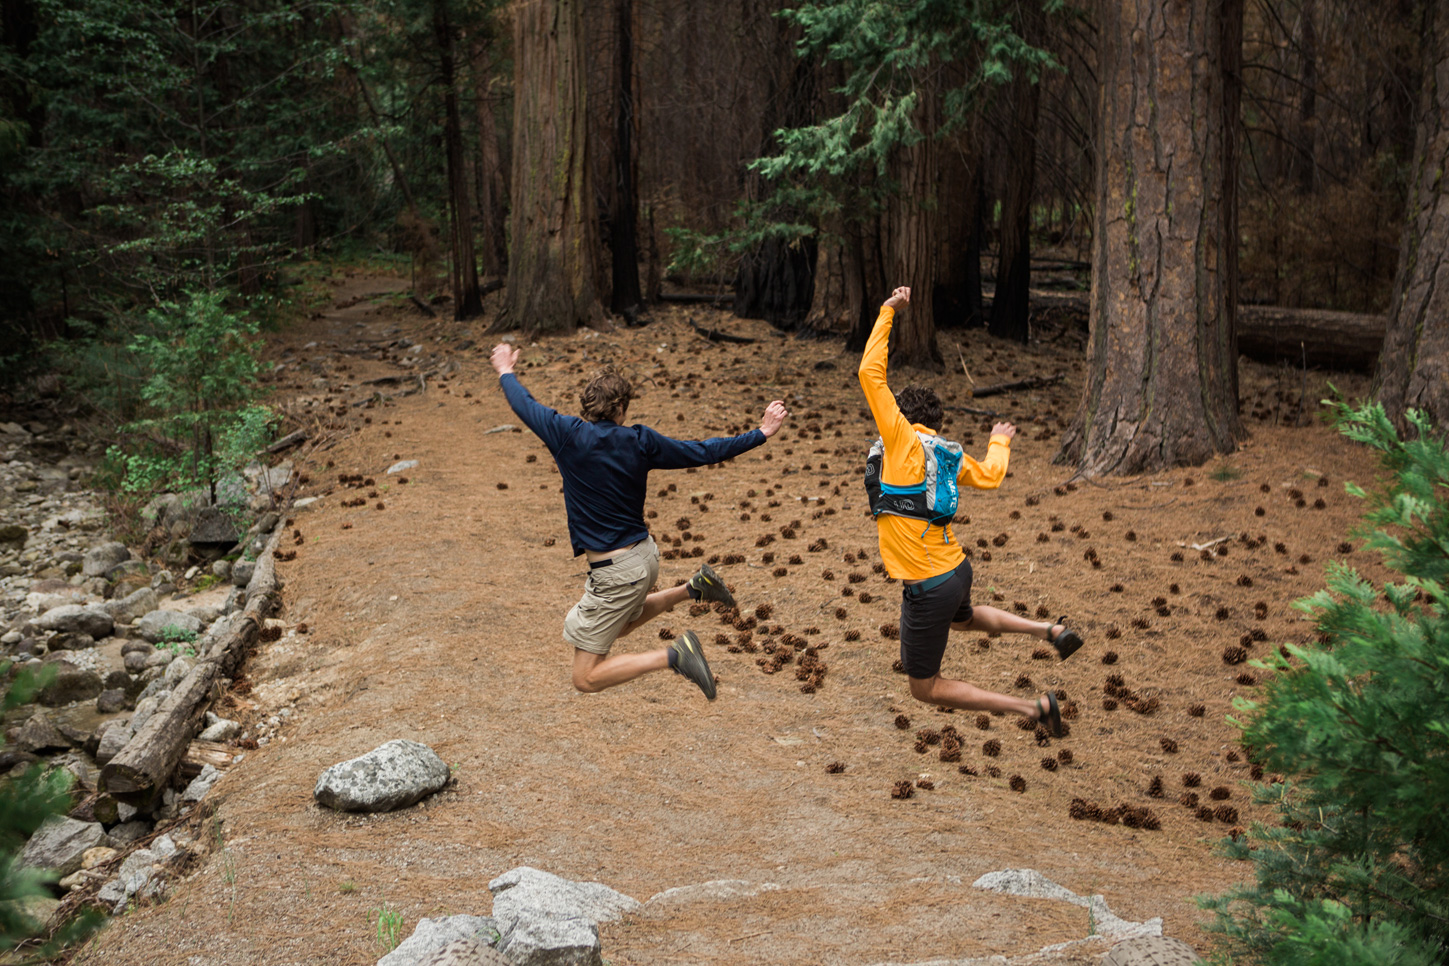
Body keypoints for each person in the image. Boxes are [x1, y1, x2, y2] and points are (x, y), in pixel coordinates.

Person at [491, 342, 790, 700]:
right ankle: (695, 587)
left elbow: (523, 404)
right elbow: (703, 450)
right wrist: (760, 433)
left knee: (585, 677)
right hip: (644, 558)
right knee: (618, 626)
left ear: (588, 405)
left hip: (616, 572)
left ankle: (676, 656)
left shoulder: (566, 434)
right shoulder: (640, 441)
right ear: (621, 408)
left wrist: (506, 369)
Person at [858, 287, 1084, 735]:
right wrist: (999, 441)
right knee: (963, 619)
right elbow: (992, 475)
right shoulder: (946, 453)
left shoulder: (900, 438)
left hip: (927, 583)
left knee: (924, 687)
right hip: (956, 570)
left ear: (900, 417)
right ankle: (1048, 631)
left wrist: (888, 312)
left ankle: (1033, 708)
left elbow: (870, 372)